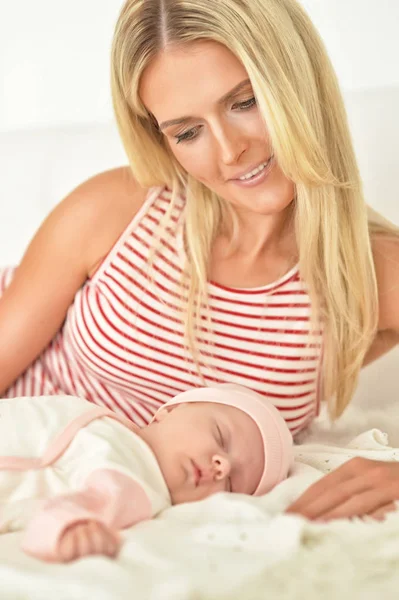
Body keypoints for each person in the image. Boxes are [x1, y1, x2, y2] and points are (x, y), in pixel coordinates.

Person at [0, 0, 398, 521]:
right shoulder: (116, 210)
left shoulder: (370, 274)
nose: (230, 150)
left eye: (246, 101)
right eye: (188, 132)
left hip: (90, 515)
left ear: (297, 82)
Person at [0, 384, 293, 562]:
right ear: (170, 410)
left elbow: (71, 513)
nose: (222, 465)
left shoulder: (138, 485)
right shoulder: (98, 417)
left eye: (231, 484)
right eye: (220, 436)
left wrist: (66, 529)